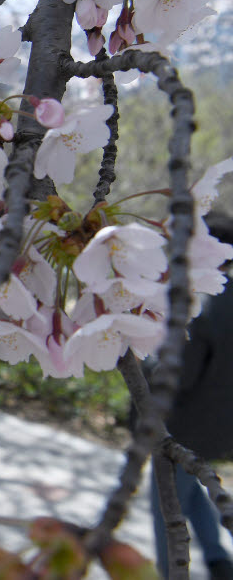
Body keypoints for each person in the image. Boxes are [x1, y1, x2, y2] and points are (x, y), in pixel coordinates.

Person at [150, 214, 233, 579]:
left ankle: (169, 572)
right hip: (220, 428)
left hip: (182, 425)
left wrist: (147, 361)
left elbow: (180, 376)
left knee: (165, 504)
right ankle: (217, 559)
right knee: (194, 490)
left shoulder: (205, 301)